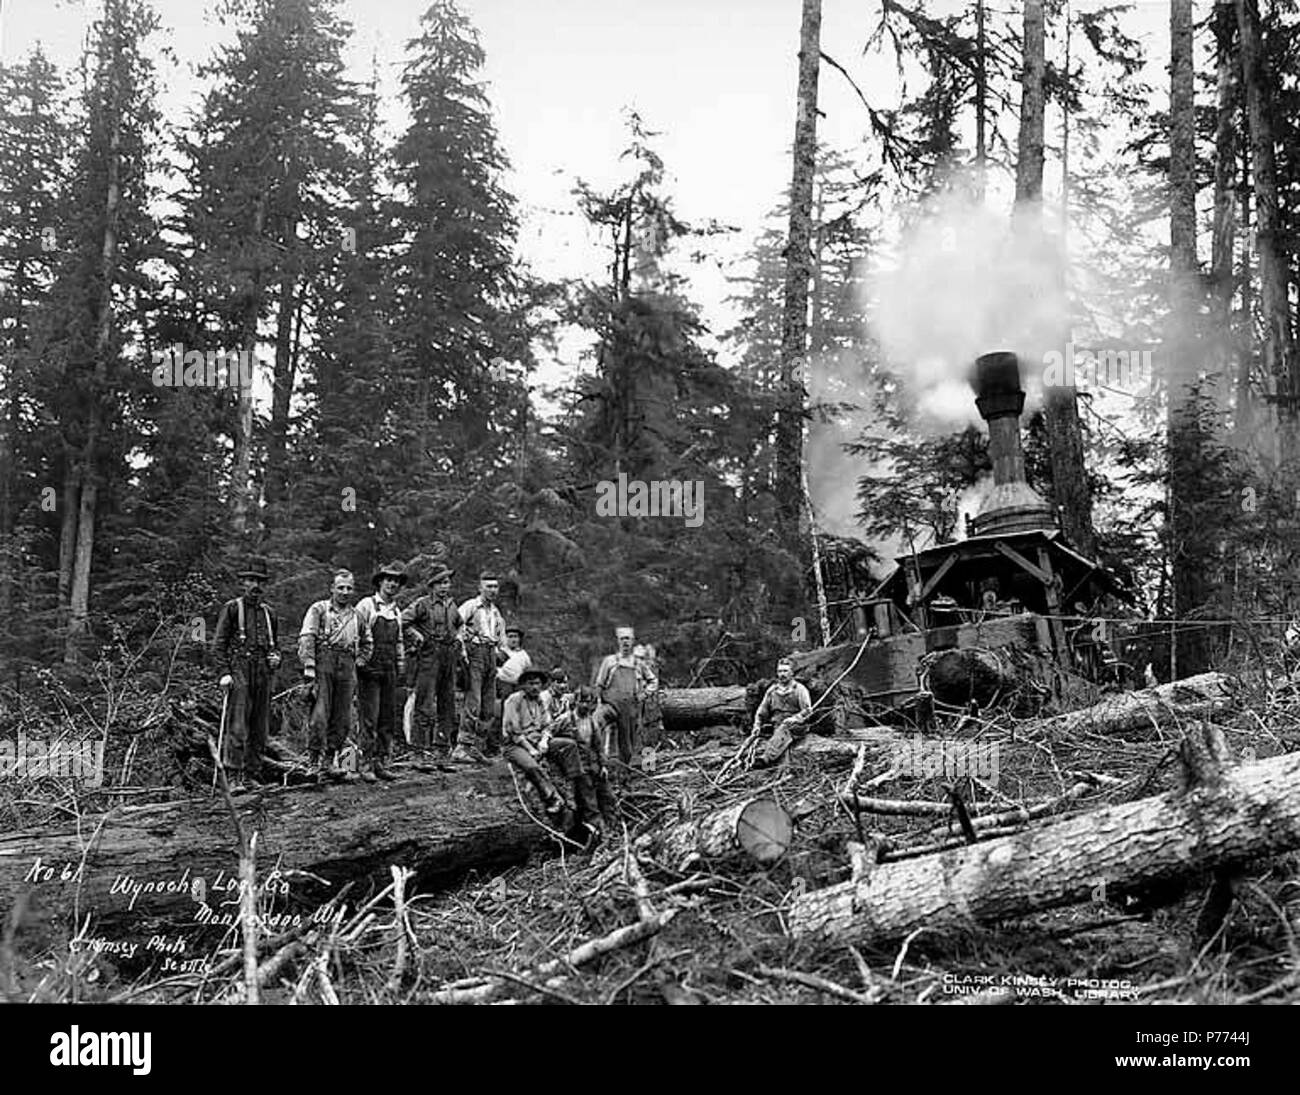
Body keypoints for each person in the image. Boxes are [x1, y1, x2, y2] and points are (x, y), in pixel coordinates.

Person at [212, 555, 282, 791]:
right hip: (239, 670)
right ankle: (233, 776)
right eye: (251, 580)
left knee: (259, 727)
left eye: (260, 581)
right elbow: (218, 644)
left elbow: (276, 646)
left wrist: (276, 658)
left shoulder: (269, 613)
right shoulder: (232, 609)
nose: (256, 586)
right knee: (238, 726)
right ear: (243, 583)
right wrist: (224, 672)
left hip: (263, 672)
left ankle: (252, 774)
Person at [298, 569, 371, 782]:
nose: (345, 592)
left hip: (347, 665)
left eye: (349, 588)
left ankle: (330, 761)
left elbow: (368, 641)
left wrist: (361, 661)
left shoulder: (357, 615)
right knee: (319, 715)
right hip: (324, 663)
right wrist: (309, 666)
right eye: (340, 587)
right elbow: (307, 636)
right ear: (332, 588)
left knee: (343, 717)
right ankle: (313, 762)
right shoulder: (319, 609)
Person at [500, 667, 581, 819]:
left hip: (537, 740)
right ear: (523, 685)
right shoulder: (514, 700)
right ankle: (553, 798)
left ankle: (573, 790)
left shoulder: (539, 701)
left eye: (537, 683)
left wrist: (544, 741)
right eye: (531, 683)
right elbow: (513, 732)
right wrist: (531, 749)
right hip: (516, 745)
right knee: (531, 766)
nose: (535, 687)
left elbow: (547, 725)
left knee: (569, 745)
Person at [355, 560, 408, 782]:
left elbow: (399, 640)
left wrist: (401, 663)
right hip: (369, 668)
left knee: (387, 717)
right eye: (388, 580)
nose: (392, 584)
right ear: (380, 582)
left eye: (396, 581)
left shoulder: (396, 610)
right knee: (369, 717)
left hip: (389, 669)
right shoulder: (367, 605)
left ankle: (381, 762)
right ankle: (364, 763)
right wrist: (359, 661)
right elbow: (355, 632)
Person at [400, 564, 460, 754]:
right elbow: (403, 620)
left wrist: (458, 638)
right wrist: (416, 636)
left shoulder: (451, 605)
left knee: (447, 703)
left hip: (449, 656)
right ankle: (419, 750)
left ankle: (442, 750)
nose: (444, 587)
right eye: (440, 583)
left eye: (447, 582)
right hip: (429, 656)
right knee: (424, 703)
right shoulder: (422, 604)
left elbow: (460, 624)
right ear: (432, 585)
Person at [550, 686, 619, 844]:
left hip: (594, 766)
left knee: (608, 797)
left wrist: (603, 766)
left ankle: (615, 830)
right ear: (576, 702)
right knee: (590, 804)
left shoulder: (592, 721)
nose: (585, 706)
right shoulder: (566, 719)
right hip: (580, 769)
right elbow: (549, 732)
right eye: (582, 702)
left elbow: (599, 747)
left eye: (588, 702)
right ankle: (601, 837)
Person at [455, 571, 507, 764]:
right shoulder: (471, 606)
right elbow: (454, 624)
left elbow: (501, 637)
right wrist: (465, 642)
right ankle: (462, 747)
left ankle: (477, 746)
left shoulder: (495, 611)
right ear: (480, 588)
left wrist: (500, 653)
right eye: (489, 587)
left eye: (495, 587)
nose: (492, 590)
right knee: (473, 700)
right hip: (474, 654)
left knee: (488, 703)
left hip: (490, 655)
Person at [593, 626, 657, 769]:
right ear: (618, 641)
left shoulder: (638, 663)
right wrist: (599, 703)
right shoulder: (610, 661)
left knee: (633, 741)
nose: (625, 642)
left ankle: (639, 770)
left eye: (628, 638)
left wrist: (644, 694)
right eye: (622, 639)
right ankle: (598, 761)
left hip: (631, 708)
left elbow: (653, 681)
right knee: (595, 723)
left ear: (632, 641)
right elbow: (599, 685)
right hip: (610, 705)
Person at [752, 657, 812, 765]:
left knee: (784, 728)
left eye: (785, 671)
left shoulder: (799, 689)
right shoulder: (772, 690)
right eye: (780, 671)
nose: (782, 674)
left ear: (792, 673)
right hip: (777, 724)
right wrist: (757, 725)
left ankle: (766, 758)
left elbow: (807, 710)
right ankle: (783, 771)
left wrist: (795, 718)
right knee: (780, 733)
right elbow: (762, 710)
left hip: (796, 726)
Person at [490, 624, 532, 755]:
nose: (513, 639)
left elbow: (527, 671)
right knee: (503, 714)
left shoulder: (523, 655)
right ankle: (496, 745)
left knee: (519, 714)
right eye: (510, 636)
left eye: (516, 637)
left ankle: (517, 742)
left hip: (518, 686)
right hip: (503, 685)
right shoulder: (500, 654)